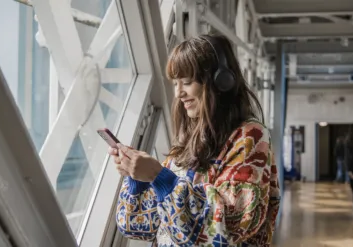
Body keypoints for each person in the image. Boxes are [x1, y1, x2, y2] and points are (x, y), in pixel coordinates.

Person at [110, 34, 281, 246]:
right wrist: (138, 179)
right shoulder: (188, 139)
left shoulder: (250, 137)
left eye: (187, 82)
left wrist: (159, 176)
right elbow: (141, 227)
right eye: (175, 83)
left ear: (221, 81)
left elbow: (228, 226)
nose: (179, 93)